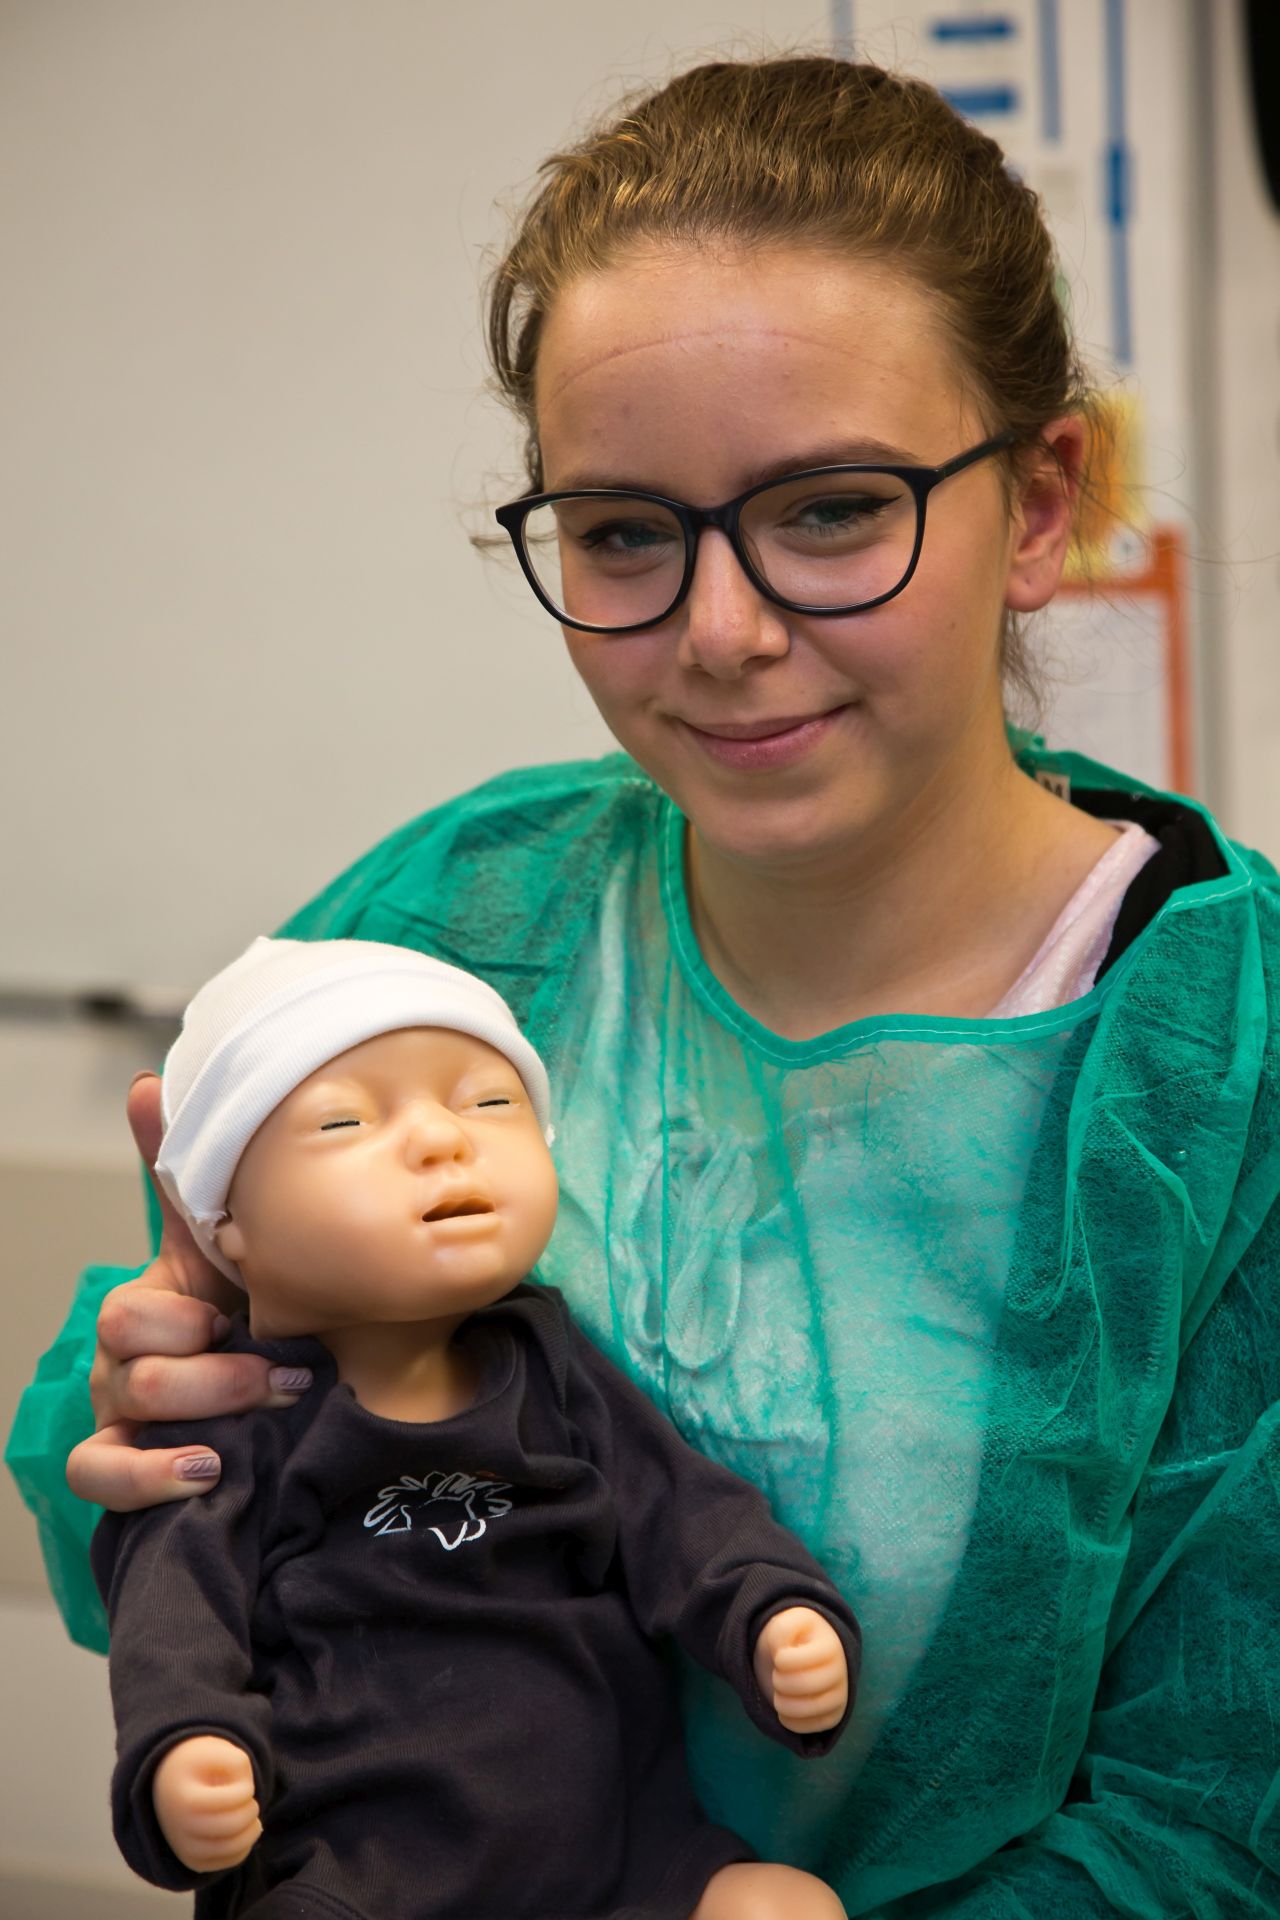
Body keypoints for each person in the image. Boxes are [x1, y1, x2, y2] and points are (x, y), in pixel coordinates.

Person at [8, 52, 1280, 1919]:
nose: (722, 632)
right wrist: (146, 1412)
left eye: (831, 509)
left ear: (1037, 506)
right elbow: (114, 1488)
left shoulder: (1220, 1075)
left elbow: (1217, 1821)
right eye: (622, 532)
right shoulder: (457, 920)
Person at [93, 935, 856, 1920]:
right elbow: (171, 1615)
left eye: (489, 1104)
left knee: (780, 1906)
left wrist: (769, 1611)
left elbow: (682, 1509)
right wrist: (186, 1746)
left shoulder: (552, 1369)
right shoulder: (231, 1419)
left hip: (625, 1864)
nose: (441, 1140)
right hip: (353, 1881)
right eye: (344, 1120)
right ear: (223, 1219)